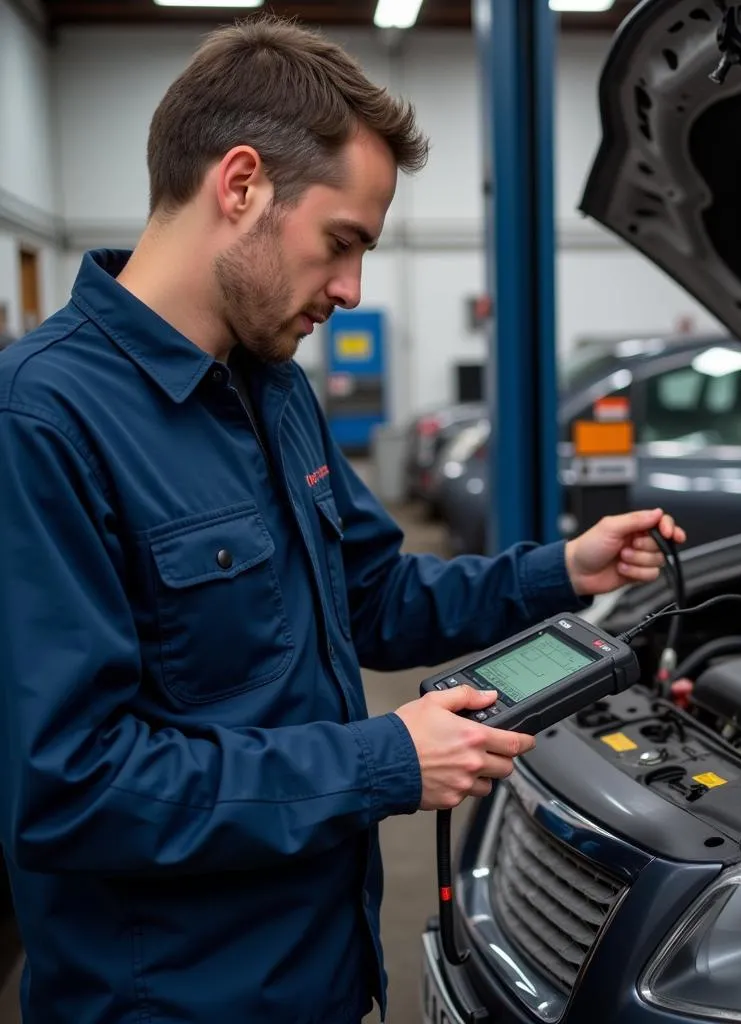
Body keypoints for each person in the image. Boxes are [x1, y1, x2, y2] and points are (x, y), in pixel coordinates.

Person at [0, 16, 685, 1024]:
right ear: (240, 186)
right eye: (342, 242)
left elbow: (374, 593)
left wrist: (560, 571)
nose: (351, 290)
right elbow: (73, 785)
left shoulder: (273, 387)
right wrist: (382, 760)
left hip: (327, 967)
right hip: (171, 1000)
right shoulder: (42, 420)